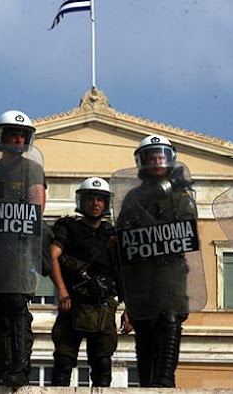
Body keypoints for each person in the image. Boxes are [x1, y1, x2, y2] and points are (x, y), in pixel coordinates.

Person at [115, 135, 197, 387]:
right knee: (144, 324)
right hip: (141, 271)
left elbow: (186, 228)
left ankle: (165, 379)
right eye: (151, 158)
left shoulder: (180, 195)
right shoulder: (133, 198)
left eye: (161, 157)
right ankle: (148, 381)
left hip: (170, 269)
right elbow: (123, 236)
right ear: (142, 163)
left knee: (169, 318)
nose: (156, 162)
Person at [0, 110, 44, 386]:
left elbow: (37, 208)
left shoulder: (31, 169)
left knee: (16, 307)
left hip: (19, 248)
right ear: (1, 137)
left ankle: (19, 367)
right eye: (12, 134)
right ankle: (1, 369)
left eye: (21, 136)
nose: (17, 139)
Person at [49, 177, 121, 387]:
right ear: (82, 201)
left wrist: (130, 309)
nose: (95, 203)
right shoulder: (68, 228)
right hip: (73, 303)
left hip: (103, 305)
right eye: (91, 198)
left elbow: (124, 272)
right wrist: (62, 291)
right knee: (63, 361)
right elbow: (53, 255)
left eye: (100, 199)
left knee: (102, 363)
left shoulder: (112, 234)